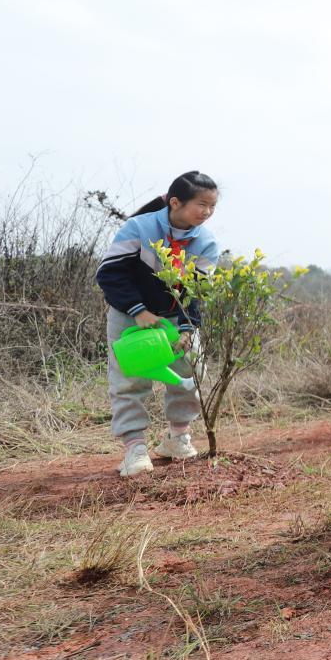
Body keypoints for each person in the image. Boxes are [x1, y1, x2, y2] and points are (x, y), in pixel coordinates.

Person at [96, 171, 220, 477]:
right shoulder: (139, 228)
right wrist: (138, 310)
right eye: (201, 204)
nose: (207, 212)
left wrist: (189, 328)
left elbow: (196, 292)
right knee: (129, 381)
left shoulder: (205, 242)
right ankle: (135, 449)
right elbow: (109, 274)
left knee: (190, 372)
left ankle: (178, 437)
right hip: (130, 316)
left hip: (175, 319)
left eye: (212, 207)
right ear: (176, 202)